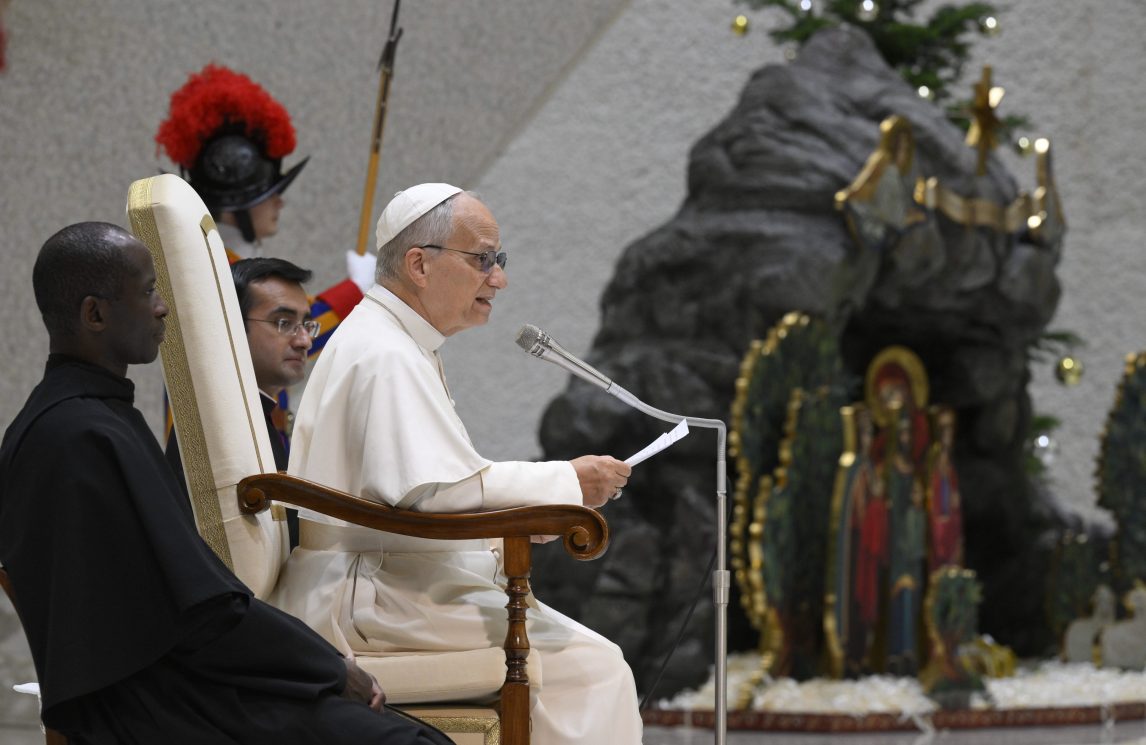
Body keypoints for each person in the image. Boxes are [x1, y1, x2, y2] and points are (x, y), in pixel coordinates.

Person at [0, 222, 452, 744]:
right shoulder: (84, 434)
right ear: (94, 314)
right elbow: (202, 610)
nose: (163, 307)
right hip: (154, 704)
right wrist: (329, 669)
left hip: (166, 678)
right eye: (147, 291)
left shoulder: (82, 417)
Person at [271, 184, 644, 744]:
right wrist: (566, 481)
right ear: (419, 264)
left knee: (590, 657)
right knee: (595, 669)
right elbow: (434, 495)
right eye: (483, 260)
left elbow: (423, 491)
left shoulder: (397, 341)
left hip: (388, 576)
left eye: (499, 261)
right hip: (366, 595)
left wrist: (528, 513)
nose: (499, 280)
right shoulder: (386, 353)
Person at [166, 257, 319, 544]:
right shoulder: (218, 426)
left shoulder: (251, 415)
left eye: (306, 324)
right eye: (284, 323)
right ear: (231, 326)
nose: (304, 341)